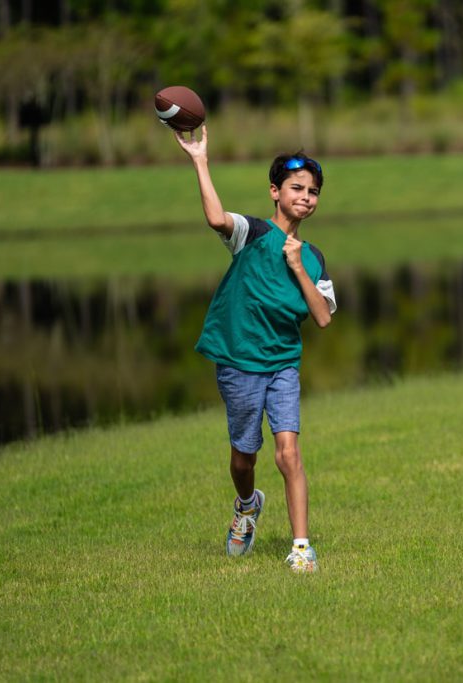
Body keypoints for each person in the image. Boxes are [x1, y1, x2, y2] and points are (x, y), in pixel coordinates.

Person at [175, 124, 336, 573]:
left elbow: (322, 317)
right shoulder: (252, 234)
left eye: (314, 191)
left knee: (289, 452)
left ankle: (301, 548)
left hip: (283, 363)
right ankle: (247, 505)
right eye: (297, 188)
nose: (306, 197)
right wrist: (200, 159)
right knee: (244, 456)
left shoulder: (314, 257)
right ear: (275, 191)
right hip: (240, 363)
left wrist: (297, 264)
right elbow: (216, 218)